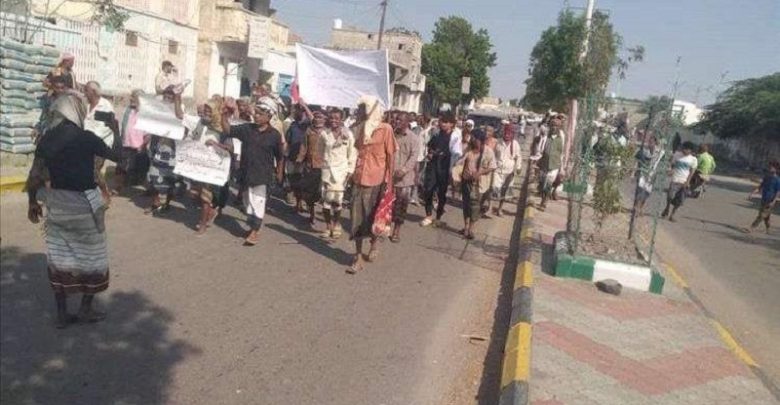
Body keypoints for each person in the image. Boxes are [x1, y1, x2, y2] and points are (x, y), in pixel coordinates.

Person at [26, 92, 119, 328]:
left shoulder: (47, 139)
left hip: (57, 205)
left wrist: (32, 202)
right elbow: (118, 156)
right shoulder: (87, 138)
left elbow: (35, 174)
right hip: (85, 206)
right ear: (77, 112)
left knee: (59, 258)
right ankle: (85, 309)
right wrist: (115, 129)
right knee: (93, 258)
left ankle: (62, 315)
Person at [221, 102, 284, 245]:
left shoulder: (274, 135)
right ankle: (253, 226)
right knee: (247, 202)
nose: (256, 116)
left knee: (258, 201)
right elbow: (228, 130)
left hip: (262, 175)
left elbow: (280, 156)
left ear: (269, 116)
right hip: (246, 172)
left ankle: (255, 231)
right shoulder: (247, 129)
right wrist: (224, 116)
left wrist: (279, 172)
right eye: (256, 113)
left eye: (260, 114)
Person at [347, 95, 396, 274]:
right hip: (358, 179)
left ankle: (374, 244)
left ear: (370, 110)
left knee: (375, 216)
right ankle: (358, 256)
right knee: (356, 218)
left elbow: (391, 156)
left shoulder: (385, 129)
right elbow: (351, 151)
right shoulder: (356, 128)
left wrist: (390, 183)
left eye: (362, 108)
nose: (359, 111)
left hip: (377, 180)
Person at [145, 89, 184, 215]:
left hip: (172, 151)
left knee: (170, 180)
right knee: (153, 177)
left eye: (170, 96)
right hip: (158, 149)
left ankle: (166, 204)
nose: (167, 98)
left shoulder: (180, 111)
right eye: (166, 96)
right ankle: (155, 203)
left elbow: (182, 128)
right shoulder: (158, 110)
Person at [320, 109, 357, 239]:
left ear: (342, 119)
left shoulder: (348, 134)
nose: (333, 120)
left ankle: (336, 224)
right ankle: (328, 226)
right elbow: (320, 151)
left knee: (337, 201)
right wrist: (324, 164)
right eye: (331, 118)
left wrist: (350, 171)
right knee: (326, 200)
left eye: (336, 118)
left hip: (341, 172)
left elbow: (352, 154)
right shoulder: (324, 134)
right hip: (327, 172)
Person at [420, 113, 461, 227]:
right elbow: (430, 147)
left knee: (442, 193)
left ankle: (438, 217)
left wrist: (451, 166)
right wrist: (431, 153)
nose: (443, 124)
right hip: (433, 166)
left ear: (452, 124)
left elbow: (457, 153)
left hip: (445, 167)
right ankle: (428, 215)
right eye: (442, 121)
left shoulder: (455, 137)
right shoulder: (436, 134)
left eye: (446, 122)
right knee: (428, 190)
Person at [83, 81, 119, 205]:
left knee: (94, 170)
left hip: (100, 144)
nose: (84, 93)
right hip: (86, 143)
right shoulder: (87, 106)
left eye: (86, 90)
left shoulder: (105, 107)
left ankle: (104, 192)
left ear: (93, 92)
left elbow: (105, 128)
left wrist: (89, 139)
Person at [458, 129, 496, 239]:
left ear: (480, 140)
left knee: (474, 206)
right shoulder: (468, 149)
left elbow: (492, 166)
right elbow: (461, 162)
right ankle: (466, 227)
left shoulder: (488, 151)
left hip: (478, 184)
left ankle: (471, 228)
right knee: (466, 205)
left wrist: (480, 172)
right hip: (466, 181)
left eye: (474, 138)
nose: (472, 140)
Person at [389, 112, 420, 243]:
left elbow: (413, 157)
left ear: (407, 122)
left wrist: (404, 170)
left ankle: (396, 230)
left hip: (404, 179)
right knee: (387, 204)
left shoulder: (413, 138)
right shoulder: (391, 135)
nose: (397, 122)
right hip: (389, 177)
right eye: (396, 119)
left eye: (400, 120)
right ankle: (384, 227)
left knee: (401, 206)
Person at [113, 89, 148, 195]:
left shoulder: (145, 113)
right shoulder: (128, 110)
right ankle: (118, 187)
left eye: (134, 97)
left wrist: (143, 144)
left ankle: (146, 190)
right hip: (126, 143)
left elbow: (148, 133)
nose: (131, 99)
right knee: (120, 167)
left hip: (138, 146)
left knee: (138, 169)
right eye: (132, 96)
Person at [296, 109, 326, 227]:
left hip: (323, 167)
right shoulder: (309, 131)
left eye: (320, 117)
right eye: (316, 117)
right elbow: (304, 146)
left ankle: (326, 216)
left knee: (322, 192)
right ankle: (312, 214)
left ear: (324, 119)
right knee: (310, 191)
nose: (318, 119)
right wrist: (299, 159)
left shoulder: (327, 132)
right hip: (310, 165)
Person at [533, 114, 565, 211]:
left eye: (556, 126)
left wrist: (562, 168)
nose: (554, 127)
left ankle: (544, 202)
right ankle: (543, 197)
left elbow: (562, 153)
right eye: (553, 125)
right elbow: (540, 149)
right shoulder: (546, 136)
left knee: (548, 185)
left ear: (559, 127)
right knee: (542, 183)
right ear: (550, 126)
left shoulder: (561, 138)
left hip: (554, 165)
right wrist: (536, 159)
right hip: (543, 164)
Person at [285, 102, 314, 208]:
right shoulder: (292, 125)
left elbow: (313, 119)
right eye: (295, 110)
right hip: (292, 156)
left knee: (302, 180)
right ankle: (294, 199)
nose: (295, 112)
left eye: (298, 110)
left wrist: (304, 106)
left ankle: (301, 201)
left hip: (303, 158)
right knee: (292, 178)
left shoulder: (307, 124)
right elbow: (288, 141)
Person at [661, 141, 698, 222]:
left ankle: (672, 215)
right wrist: (670, 170)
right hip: (675, 179)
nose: (684, 150)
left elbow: (692, 172)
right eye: (683, 148)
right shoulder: (677, 155)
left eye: (686, 149)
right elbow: (672, 164)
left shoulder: (693, 159)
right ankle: (667, 208)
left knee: (679, 200)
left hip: (684, 181)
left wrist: (687, 182)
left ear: (690, 150)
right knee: (670, 196)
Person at [491, 125, 522, 216]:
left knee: (504, 192)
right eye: (506, 133)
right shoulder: (498, 142)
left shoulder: (515, 144)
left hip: (509, 171)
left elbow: (518, 157)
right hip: (497, 170)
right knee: (494, 189)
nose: (507, 135)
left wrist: (518, 167)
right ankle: (490, 207)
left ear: (512, 134)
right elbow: (493, 155)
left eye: (509, 133)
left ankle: (500, 209)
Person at [746, 161, 779, 234]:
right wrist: (752, 194)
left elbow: (777, 192)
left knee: (762, 215)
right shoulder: (766, 178)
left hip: (770, 200)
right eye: (769, 166)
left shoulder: (777, 180)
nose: (770, 168)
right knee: (766, 216)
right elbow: (760, 187)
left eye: (772, 167)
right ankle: (768, 228)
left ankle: (752, 227)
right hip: (764, 199)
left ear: (776, 169)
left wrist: (773, 201)